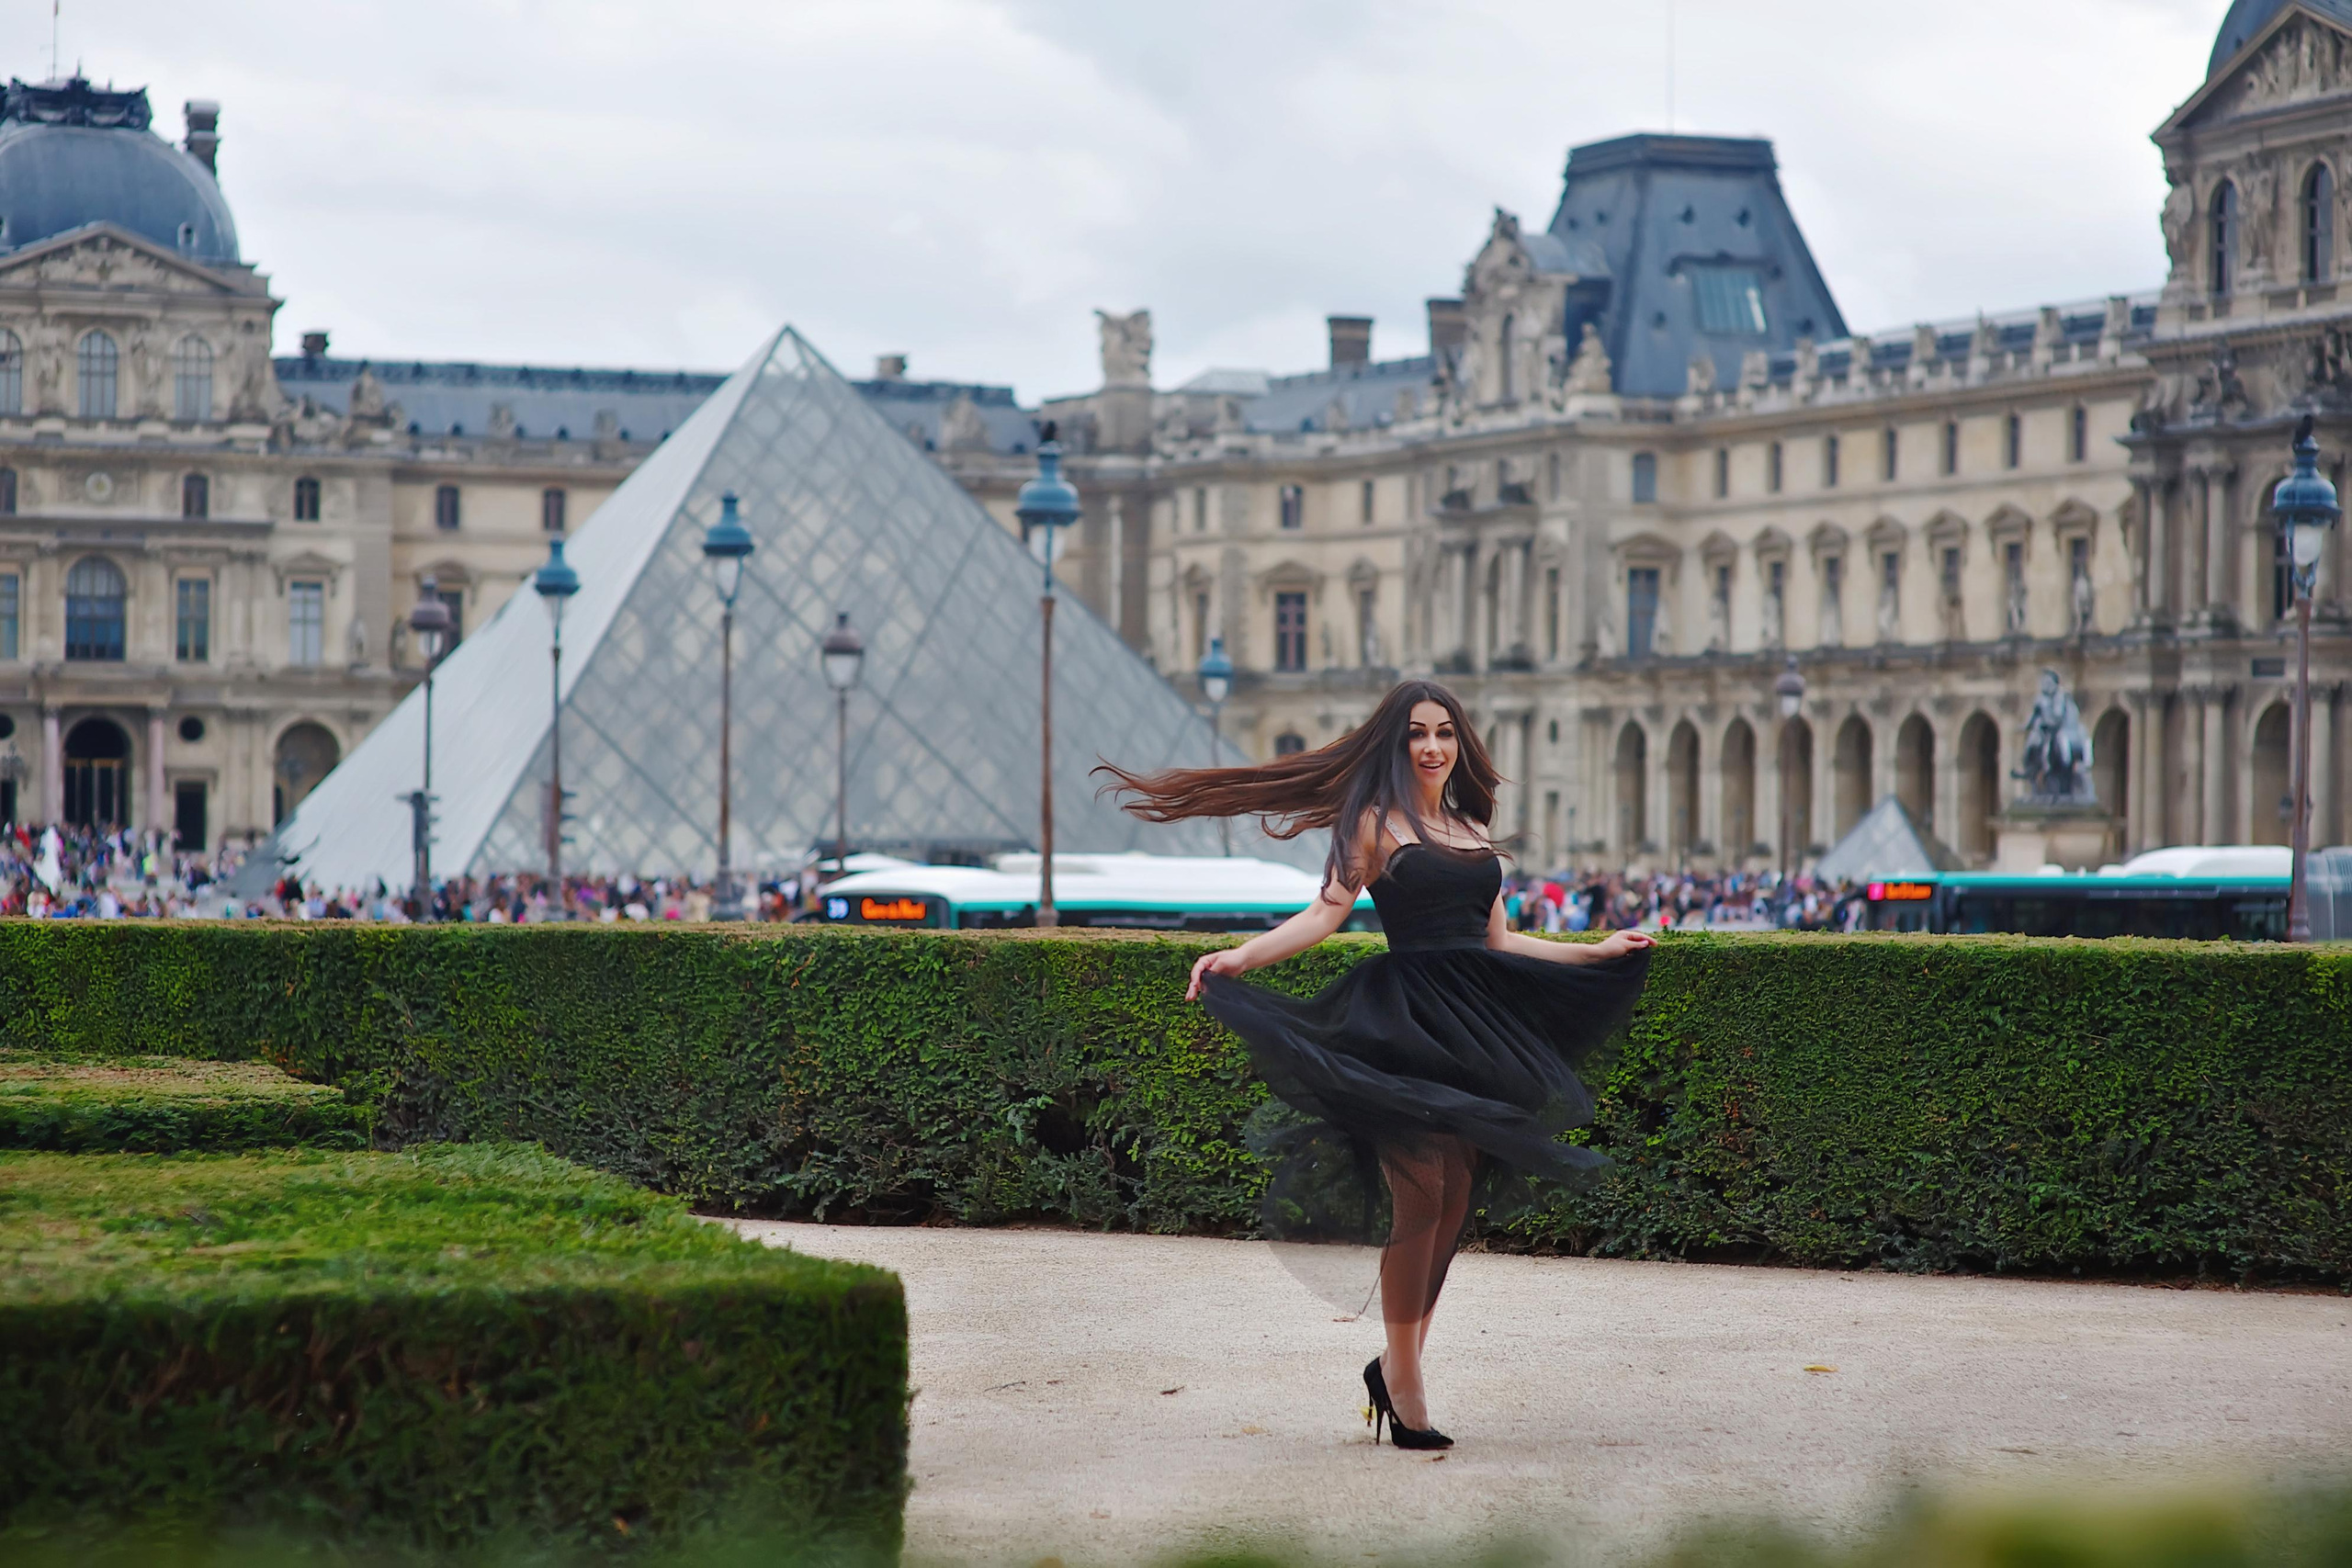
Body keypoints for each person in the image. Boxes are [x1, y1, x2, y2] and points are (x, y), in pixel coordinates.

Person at [1102, 680, 1654, 1450]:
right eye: (1417, 733)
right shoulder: (1372, 821)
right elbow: (1325, 912)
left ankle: (1394, 1366)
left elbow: (1499, 941)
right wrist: (1239, 957)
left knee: (1454, 1198)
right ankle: (1408, 1385)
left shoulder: (1472, 825)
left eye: (1445, 732)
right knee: (1421, 1193)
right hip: (1404, 1022)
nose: (1432, 746)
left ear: (1460, 743)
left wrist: (1593, 951)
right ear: (1396, 744)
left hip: (1475, 1025)